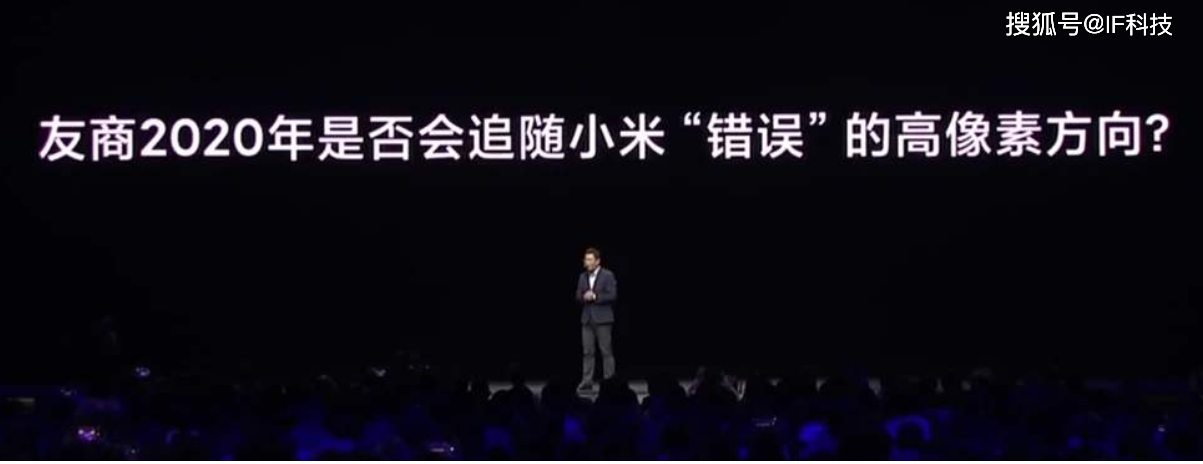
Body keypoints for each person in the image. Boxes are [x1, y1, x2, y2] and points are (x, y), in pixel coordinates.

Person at [576, 247, 618, 391]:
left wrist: (595, 296)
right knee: (587, 352)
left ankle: (609, 382)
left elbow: (612, 295)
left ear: (597, 261)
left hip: (603, 319)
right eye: (585, 259)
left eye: (590, 260)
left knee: (606, 351)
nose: (586, 262)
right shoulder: (582, 276)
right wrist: (584, 297)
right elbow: (577, 295)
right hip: (587, 319)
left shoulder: (608, 275)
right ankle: (587, 381)